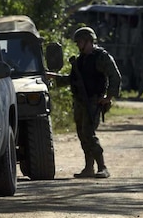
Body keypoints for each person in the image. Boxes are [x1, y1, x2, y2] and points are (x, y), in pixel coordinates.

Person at [47, 26, 122, 179]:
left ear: (88, 41)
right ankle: (89, 167)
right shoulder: (80, 60)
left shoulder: (101, 57)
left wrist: (109, 97)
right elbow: (72, 79)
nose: (78, 45)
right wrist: (55, 77)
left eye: (80, 41)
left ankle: (102, 166)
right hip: (80, 101)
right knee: (82, 134)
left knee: (89, 133)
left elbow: (115, 76)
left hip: (94, 101)